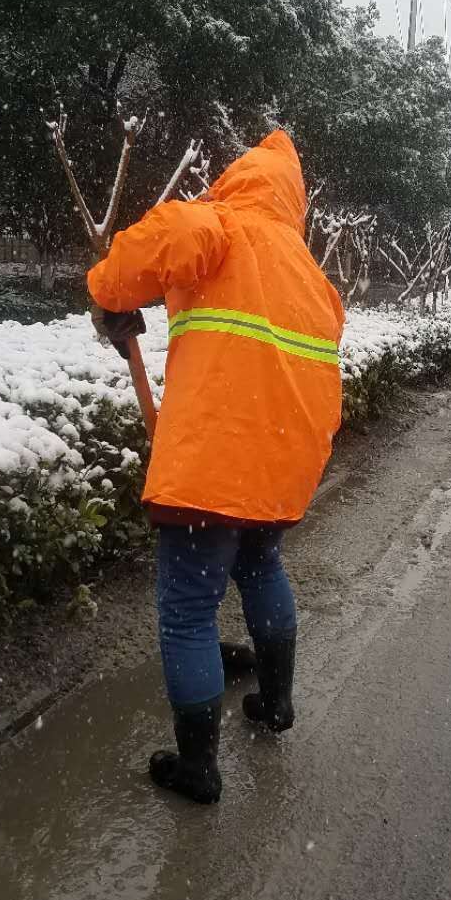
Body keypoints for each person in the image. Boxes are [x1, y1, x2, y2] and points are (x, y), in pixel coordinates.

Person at [87, 129, 344, 803]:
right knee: (260, 565)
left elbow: (145, 254)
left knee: (188, 612)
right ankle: (276, 701)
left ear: (238, 180)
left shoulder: (220, 225)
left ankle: (198, 769)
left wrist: (108, 293)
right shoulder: (311, 276)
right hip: (284, 463)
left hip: (212, 463)